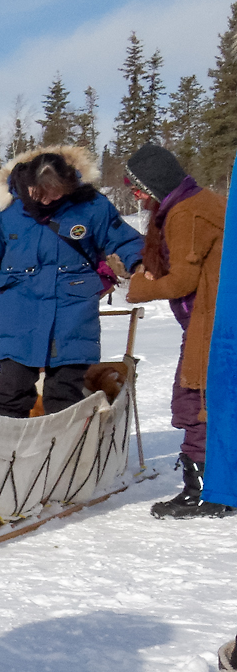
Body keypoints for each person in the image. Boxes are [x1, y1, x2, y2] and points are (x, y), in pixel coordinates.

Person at [0, 145, 144, 419]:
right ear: (27, 184)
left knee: (64, 393)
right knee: (12, 389)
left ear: (69, 185)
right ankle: (3, 453)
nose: (45, 201)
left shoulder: (92, 206)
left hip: (72, 311)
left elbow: (125, 239)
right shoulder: (5, 209)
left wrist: (138, 263)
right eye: (38, 194)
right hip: (17, 311)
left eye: (53, 194)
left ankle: (62, 456)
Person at [121, 144, 230, 518]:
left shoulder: (186, 213)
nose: (136, 194)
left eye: (137, 187)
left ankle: (204, 491)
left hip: (212, 323)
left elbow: (182, 280)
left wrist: (140, 287)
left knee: (195, 401)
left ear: (155, 184)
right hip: (216, 318)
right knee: (217, 400)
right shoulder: (204, 201)